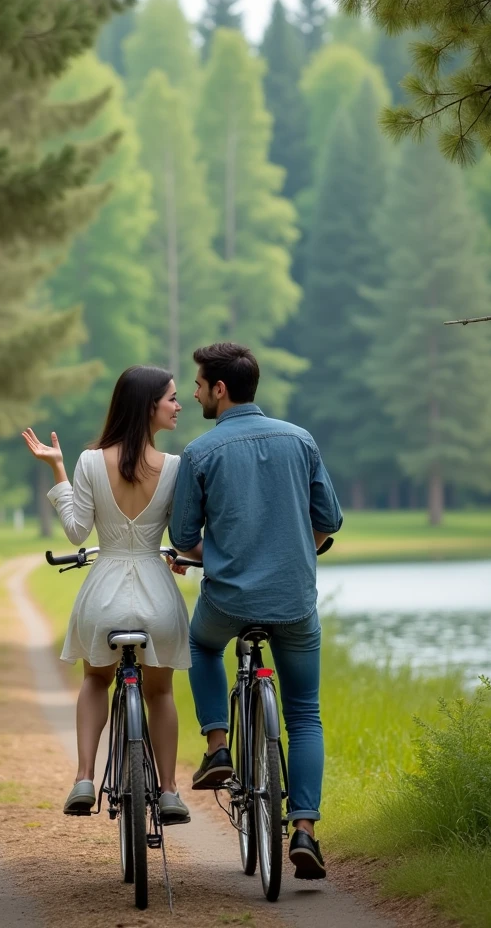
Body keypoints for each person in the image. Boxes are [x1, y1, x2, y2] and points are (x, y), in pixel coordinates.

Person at [168, 342, 343, 879]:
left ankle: (218, 746)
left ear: (220, 389)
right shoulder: (300, 440)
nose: (194, 392)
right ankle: (305, 829)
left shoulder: (200, 453)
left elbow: (181, 538)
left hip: (228, 600)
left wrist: (214, 557)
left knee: (198, 643)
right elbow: (329, 520)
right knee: (305, 715)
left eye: (198, 384)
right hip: (294, 603)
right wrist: (298, 551)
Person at [22, 366, 191, 825]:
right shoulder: (174, 467)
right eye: (172, 398)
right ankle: (171, 790)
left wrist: (57, 467)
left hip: (104, 596)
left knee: (96, 680)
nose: (179, 406)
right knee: (160, 692)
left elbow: (77, 532)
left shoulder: (90, 462)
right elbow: (183, 536)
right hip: (157, 596)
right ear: (148, 405)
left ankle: (83, 777)